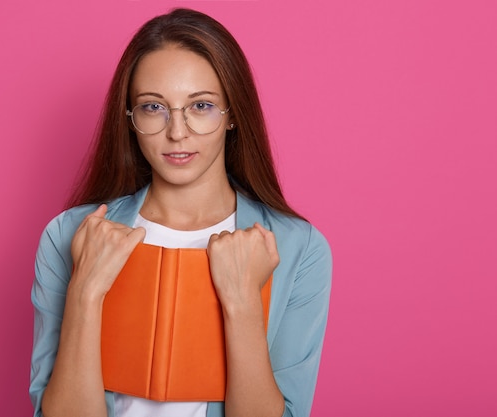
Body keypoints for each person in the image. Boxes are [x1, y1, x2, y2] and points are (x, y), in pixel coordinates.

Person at [30, 8, 332, 417]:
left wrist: (243, 304)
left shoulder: (298, 248)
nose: (176, 131)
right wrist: (86, 292)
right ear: (131, 120)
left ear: (232, 115)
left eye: (201, 105)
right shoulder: (70, 236)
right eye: (153, 107)